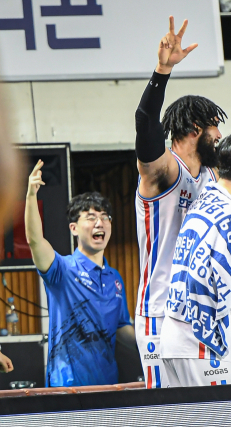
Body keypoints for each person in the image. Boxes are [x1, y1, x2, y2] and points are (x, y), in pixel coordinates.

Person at [133, 16, 227, 388]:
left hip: (201, 314)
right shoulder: (165, 170)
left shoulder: (212, 178)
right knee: (168, 412)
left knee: (215, 410)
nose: (221, 135)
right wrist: (162, 71)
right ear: (195, 130)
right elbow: (144, 121)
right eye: (215, 127)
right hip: (159, 312)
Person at [160, 130, 231, 387]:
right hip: (198, 338)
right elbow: (208, 276)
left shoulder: (207, 199)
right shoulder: (229, 211)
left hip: (175, 332)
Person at [25, 160, 135, 387]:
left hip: (108, 387)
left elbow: (122, 328)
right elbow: (35, 241)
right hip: (66, 389)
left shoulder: (115, 278)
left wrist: (153, 343)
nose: (100, 222)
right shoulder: (62, 270)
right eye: (91, 217)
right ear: (73, 228)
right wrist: (30, 196)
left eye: (105, 216)